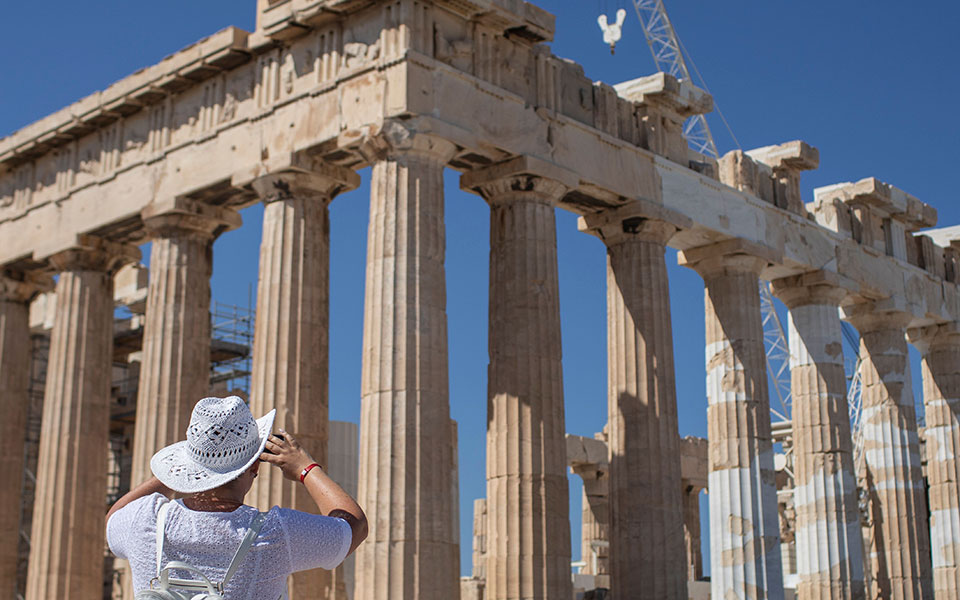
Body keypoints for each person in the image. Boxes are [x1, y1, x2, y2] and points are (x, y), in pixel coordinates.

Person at [106, 396, 367, 599]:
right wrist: (305, 468)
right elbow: (353, 525)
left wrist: (176, 472)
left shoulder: (144, 521)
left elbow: (113, 518)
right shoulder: (275, 533)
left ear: (188, 464)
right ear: (255, 466)